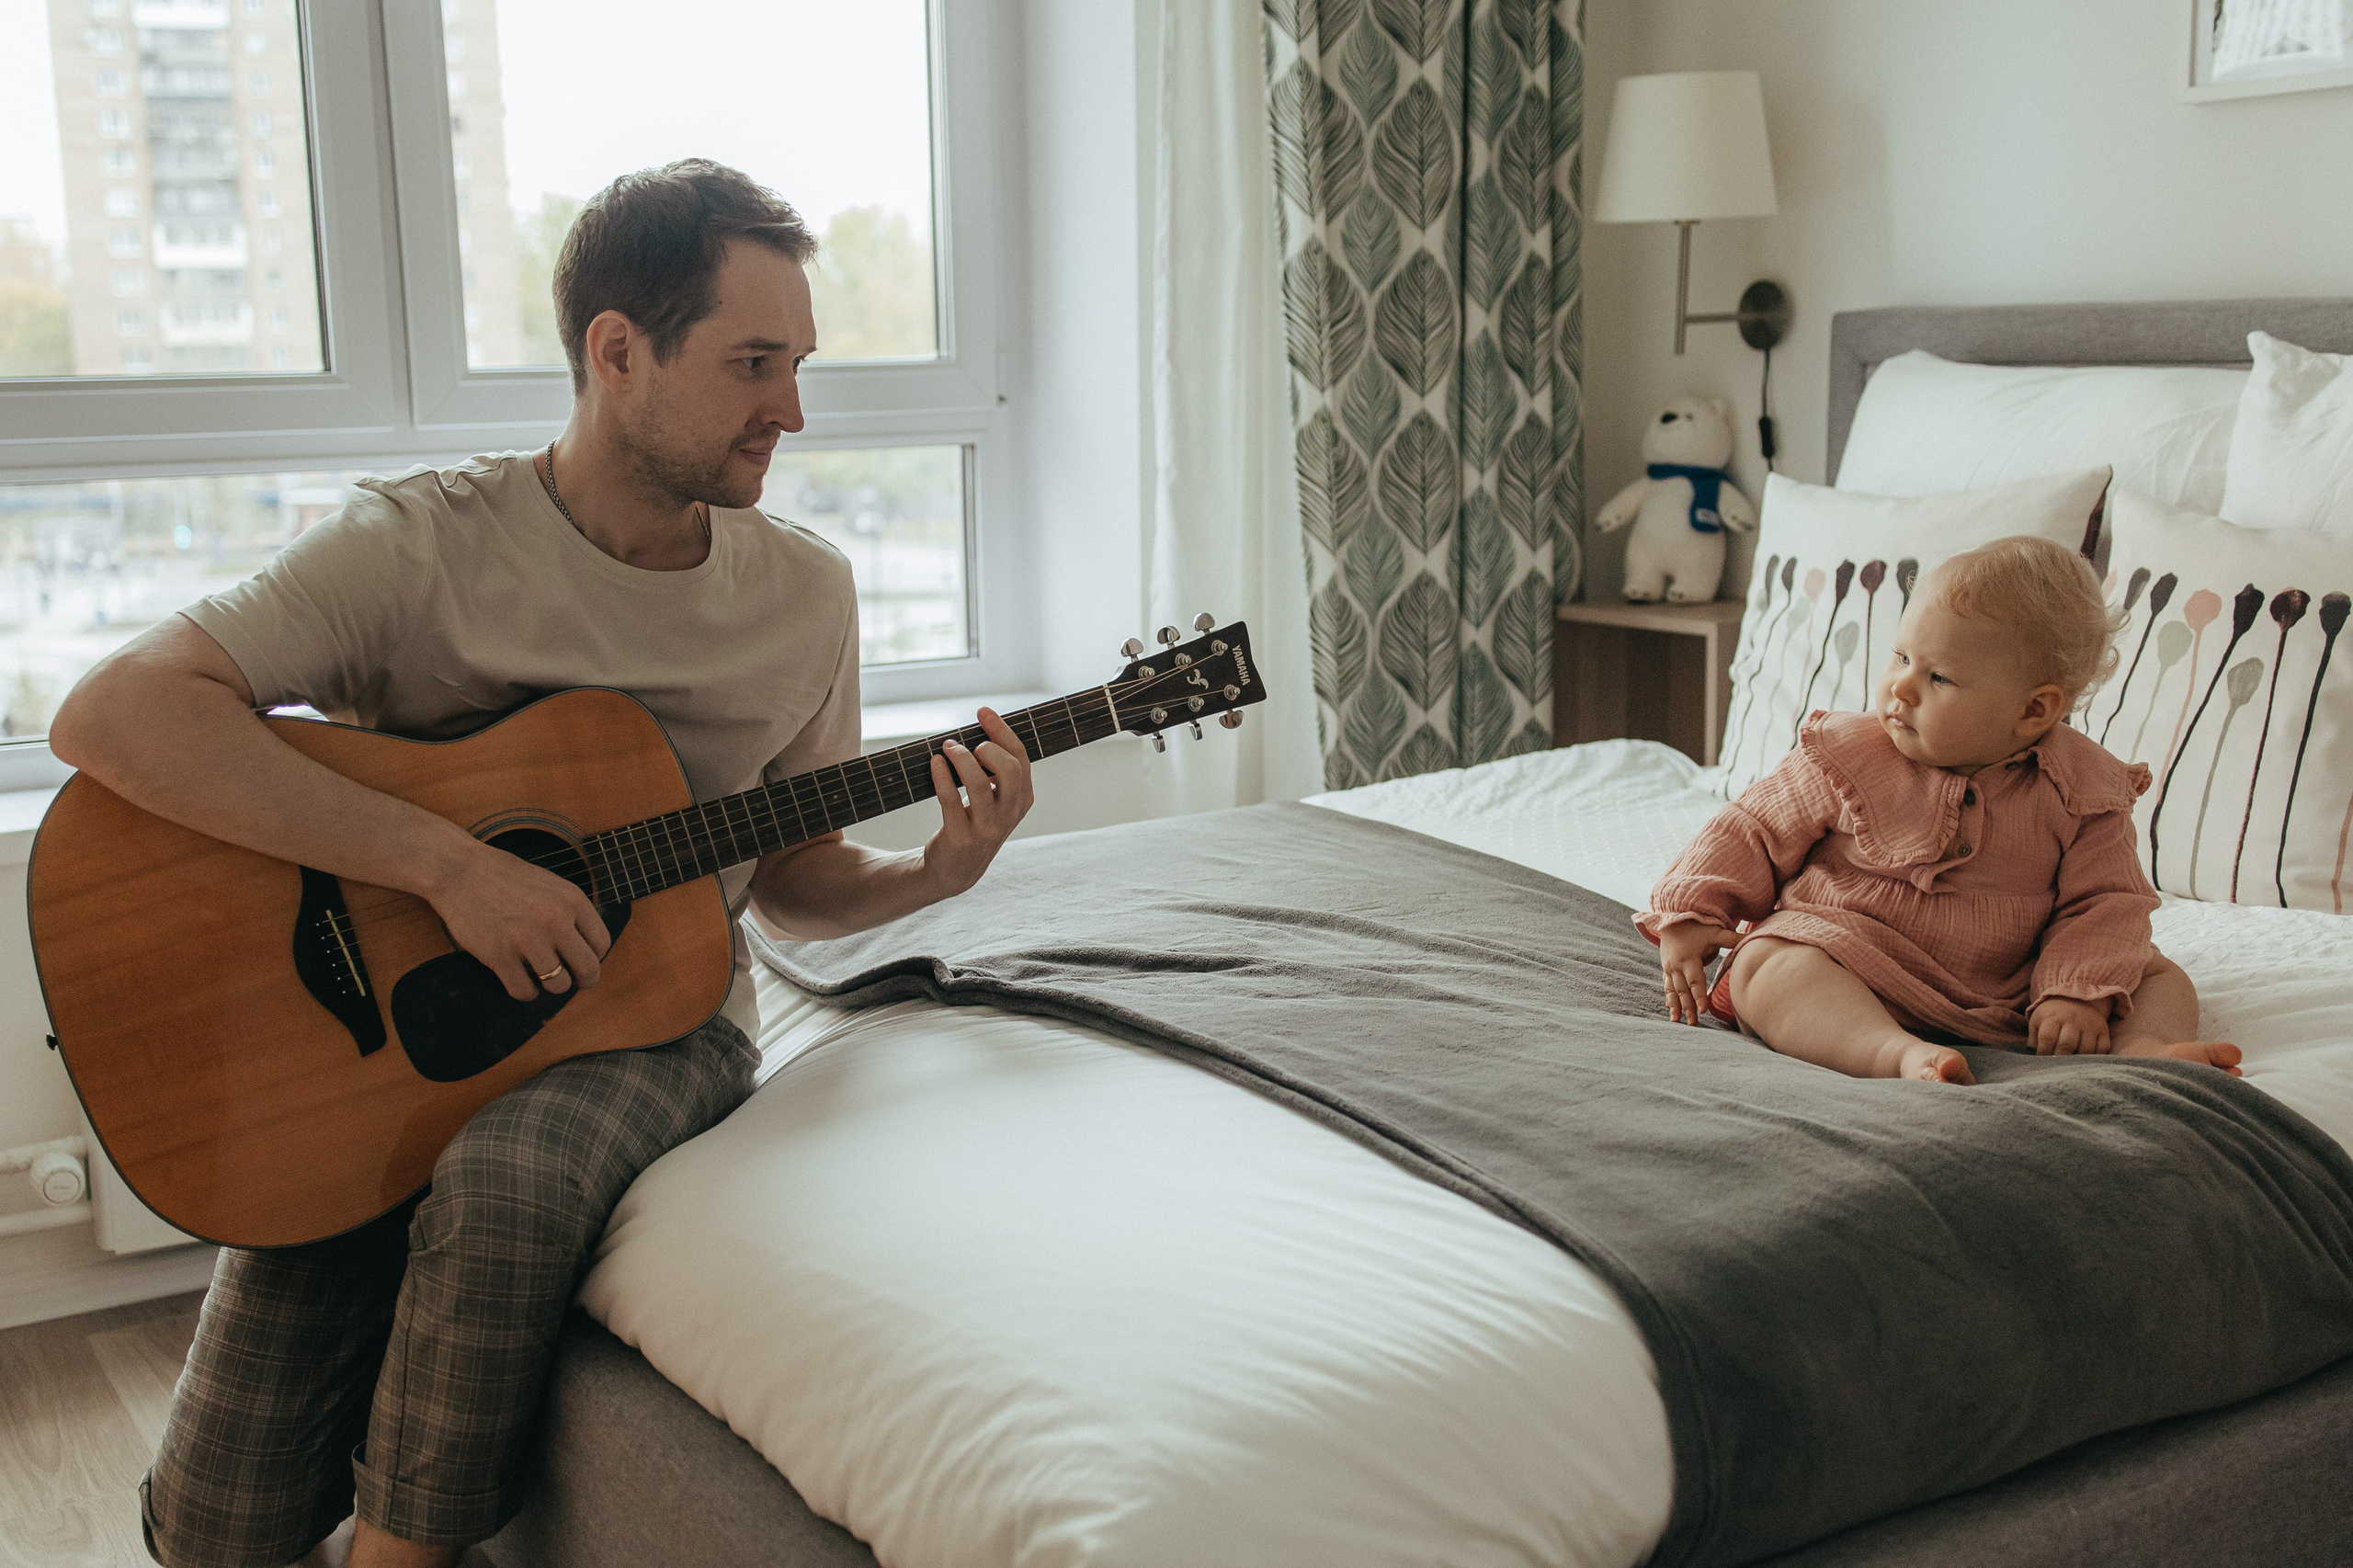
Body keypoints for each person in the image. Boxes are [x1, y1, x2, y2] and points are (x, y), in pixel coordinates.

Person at [48, 160, 1035, 1568]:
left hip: (656, 1019)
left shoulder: (804, 594)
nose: (794, 413)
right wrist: (451, 867)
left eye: (799, 365)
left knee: (509, 1178)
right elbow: (113, 710)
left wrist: (937, 872)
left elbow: (800, 870)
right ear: (616, 351)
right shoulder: (421, 547)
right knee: (208, 1530)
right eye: (755, 363)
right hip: (382, 1026)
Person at [1636, 535, 2242, 1087]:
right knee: (1766, 967)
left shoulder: (2084, 792)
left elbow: (2107, 903)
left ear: (2035, 710)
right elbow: (1751, 828)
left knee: (2157, 975)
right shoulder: (1847, 755)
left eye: (1940, 677)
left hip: (2014, 992)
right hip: (1854, 954)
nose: (1901, 687)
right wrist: (1689, 914)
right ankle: (1893, 1053)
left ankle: (2145, 1049)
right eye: (1901, 657)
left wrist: (2076, 992)